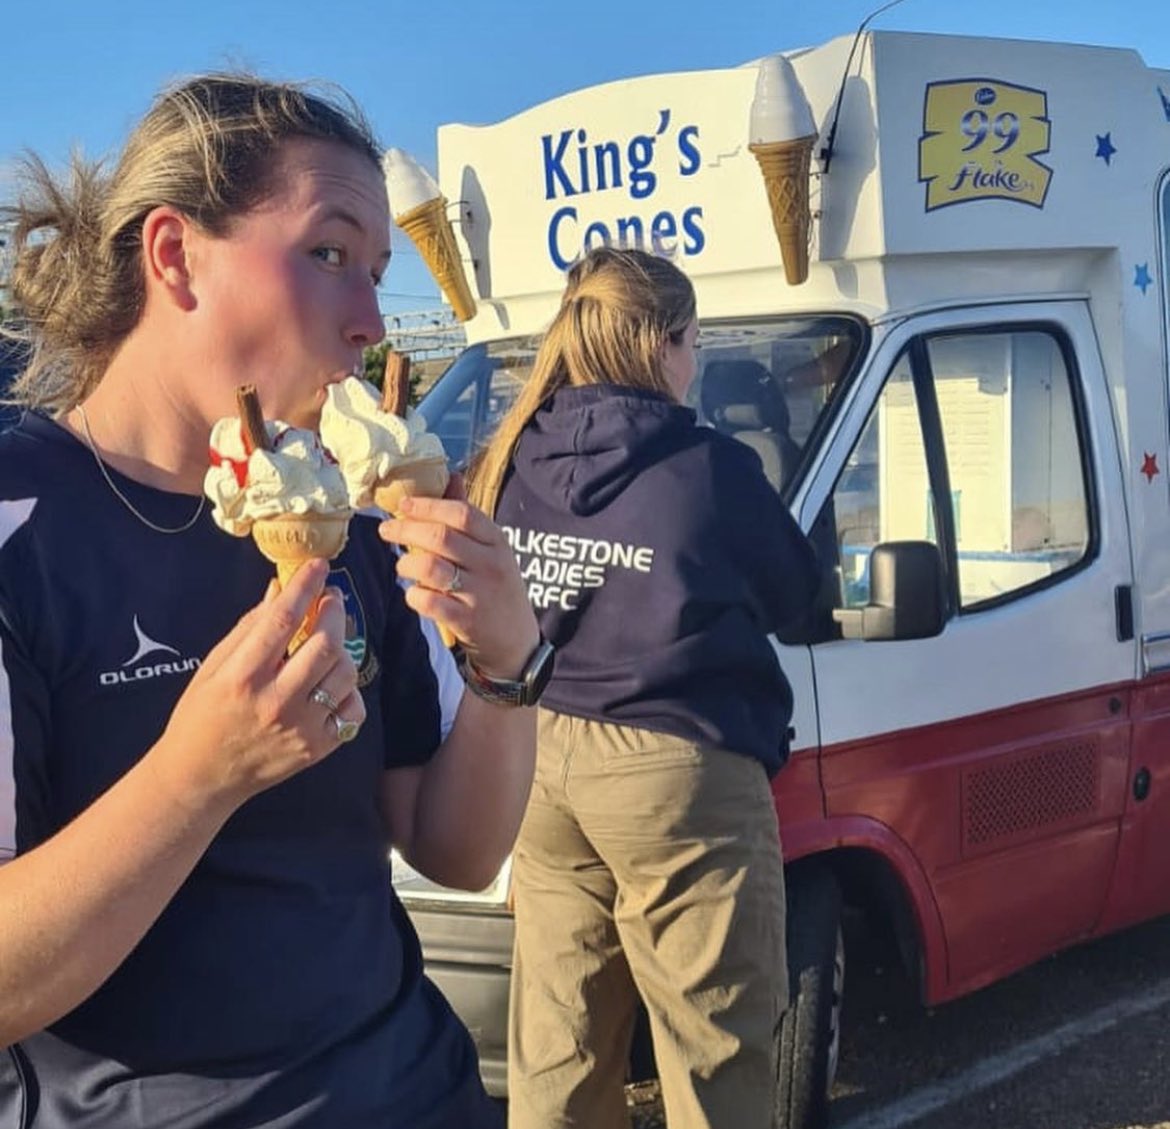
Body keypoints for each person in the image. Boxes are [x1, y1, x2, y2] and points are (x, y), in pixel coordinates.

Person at [0, 73, 546, 1128]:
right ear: (174, 257)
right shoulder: (24, 526)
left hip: (420, 1092)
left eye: (379, 273)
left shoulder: (345, 521)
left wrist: (505, 667)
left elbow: (458, 851)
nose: (372, 325)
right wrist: (198, 776)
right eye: (329, 255)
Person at [468, 246, 821, 1129]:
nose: (695, 363)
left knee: (560, 1044)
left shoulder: (515, 455)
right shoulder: (707, 466)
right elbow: (801, 595)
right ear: (665, 344)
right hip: (677, 773)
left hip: (541, 759)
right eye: (695, 342)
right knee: (714, 1051)